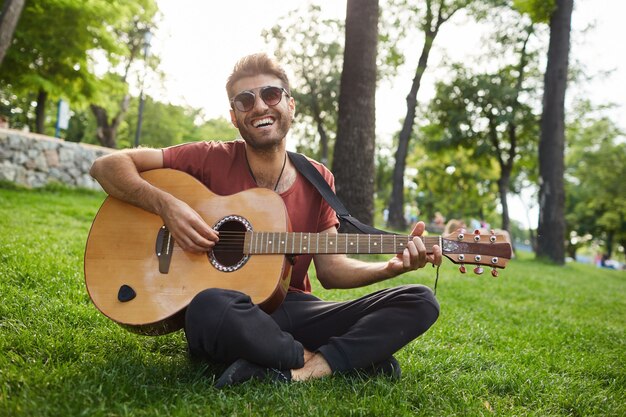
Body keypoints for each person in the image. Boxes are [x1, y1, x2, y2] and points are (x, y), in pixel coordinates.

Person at [89, 53, 442, 388]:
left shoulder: (318, 178)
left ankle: (302, 368)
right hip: (230, 313)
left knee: (420, 300)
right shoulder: (207, 157)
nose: (259, 106)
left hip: (293, 307)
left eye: (271, 94)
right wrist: (167, 206)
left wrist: (390, 268)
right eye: (245, 100)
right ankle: (341, 358)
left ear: (290, 104)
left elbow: (331, 272)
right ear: (234, 116)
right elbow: (106, 166)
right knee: (210, 305)